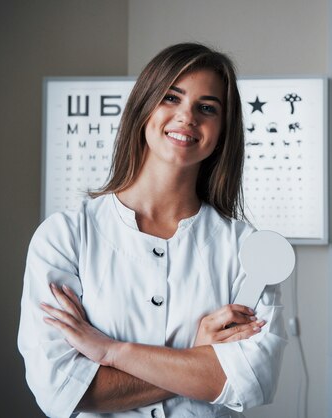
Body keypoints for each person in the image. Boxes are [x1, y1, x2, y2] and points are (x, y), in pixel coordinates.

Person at [17, 43, 287, 418]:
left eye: (207, 108)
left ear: (223, 130)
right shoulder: (65, 238)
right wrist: (196, 360)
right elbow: (62, 390)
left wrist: (111, 352)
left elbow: (250, 382)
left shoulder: (246, 248)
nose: (187, 117)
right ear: (144, 107)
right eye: (171, 98)